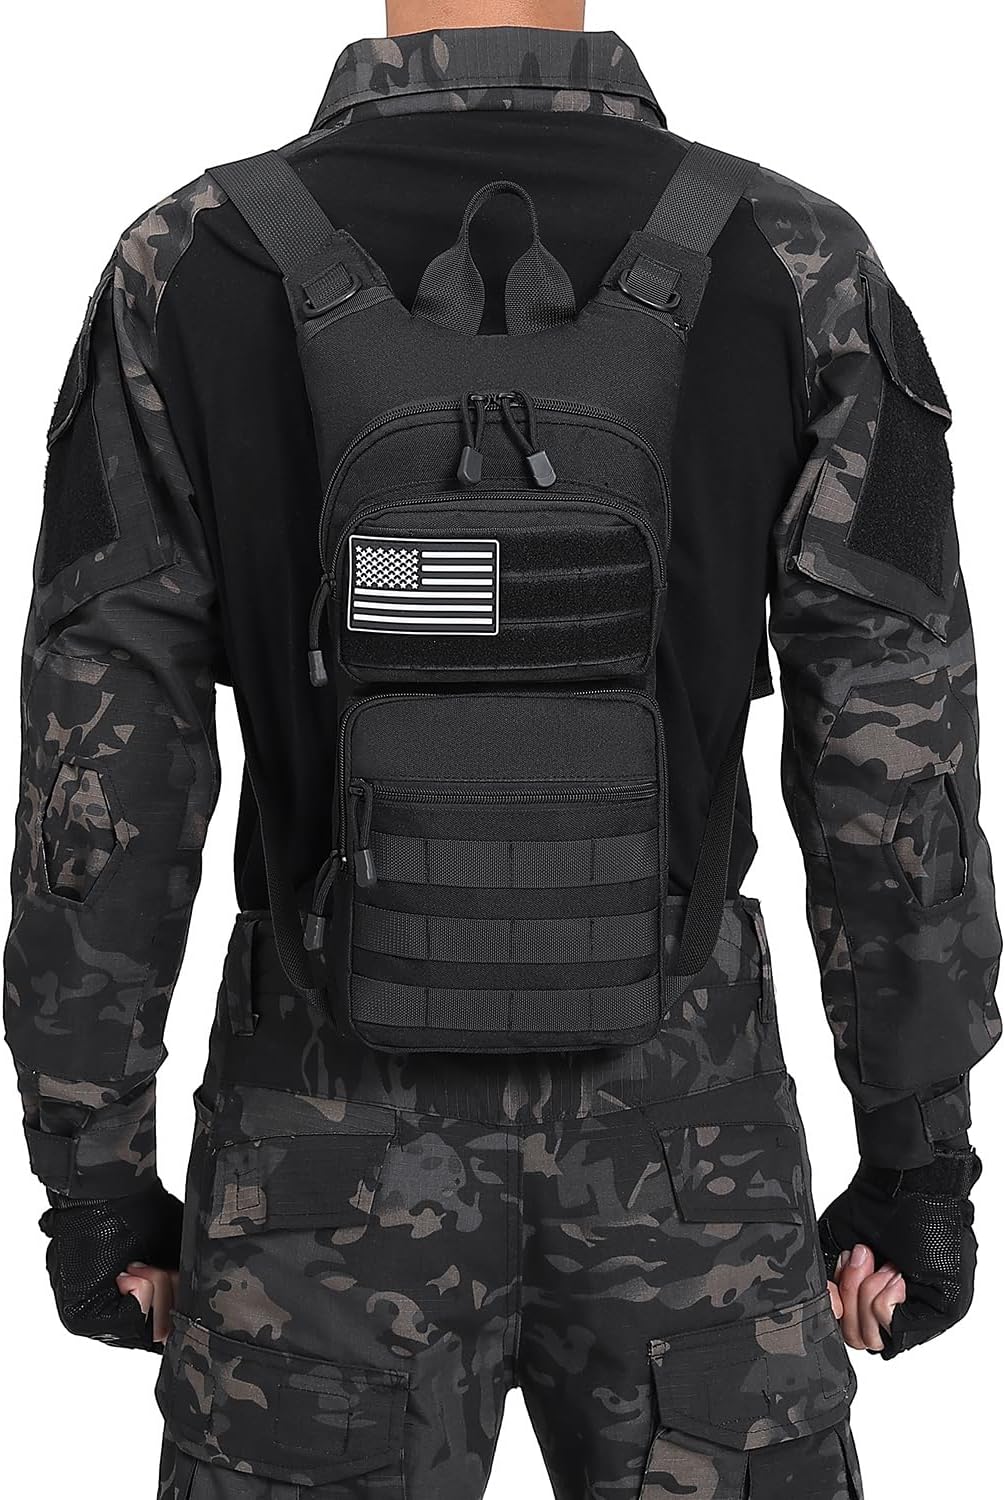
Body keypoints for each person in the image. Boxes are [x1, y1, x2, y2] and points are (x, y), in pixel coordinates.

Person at [5, 1, 999, 1495]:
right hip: (690, 1146)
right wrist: (918, 1152)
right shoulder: (793, 260)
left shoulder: (189, 263)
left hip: (312, 1156)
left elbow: (102, 775)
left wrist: (90, 1169)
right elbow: (893, 768)